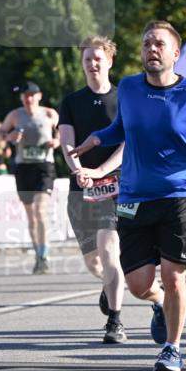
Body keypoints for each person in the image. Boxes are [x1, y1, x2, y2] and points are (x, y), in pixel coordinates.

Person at [71, 20, 186, 371]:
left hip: (178, 193)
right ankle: (158, 304)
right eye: (145, 44)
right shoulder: (128, 88)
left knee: (173, 277)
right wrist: (97, 139)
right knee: (139, 285)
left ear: (175, 53)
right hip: (134, 194)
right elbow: (120, 129)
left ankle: (172, 347)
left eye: (158, 44)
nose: (151, 50)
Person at [59, 35, 127, 344]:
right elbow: (67, 141)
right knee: (94, 261)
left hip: (115, 185)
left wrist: (100, 171)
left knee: (110, 249)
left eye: (98, 57)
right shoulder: (71, 101)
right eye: (87, 58)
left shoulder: (124, 98)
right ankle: (110, 286)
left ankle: (115, 320)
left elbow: (128, 143)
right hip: (81, 187)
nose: (92, 63)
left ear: (110, 61)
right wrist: (78, 171)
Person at [0, 82, 60, 273]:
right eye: (25, 95)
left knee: (40, 210)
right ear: (21, 98)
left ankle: (45, 255)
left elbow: (63, 132)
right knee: (31, 216)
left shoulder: (50, 114)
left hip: (44, 166)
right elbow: (0, 133)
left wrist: (56, 141)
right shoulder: (15, 115)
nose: (29, 98)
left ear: (39, 96)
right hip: (23, 168)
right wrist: (10, 137)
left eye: (32, 95)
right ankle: (38, 255)